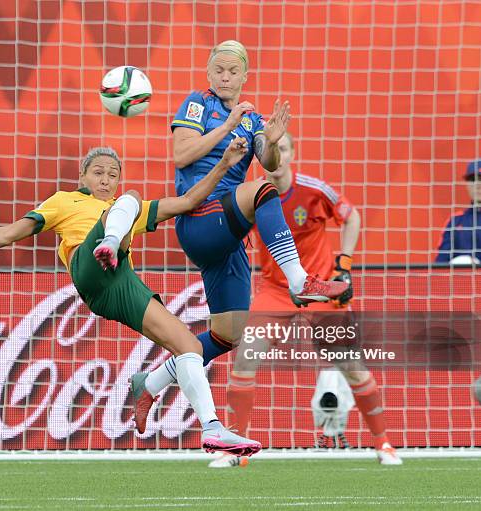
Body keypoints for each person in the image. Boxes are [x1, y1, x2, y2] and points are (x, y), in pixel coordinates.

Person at [0, 139, 263, 457]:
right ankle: (107, 244)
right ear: (83, 175)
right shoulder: (64, 201)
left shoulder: (124, 208)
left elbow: (188, 202)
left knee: (191, 348)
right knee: (129, 200)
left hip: (121, 283)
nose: (105, 180)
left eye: (112, 174)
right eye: (98, 172)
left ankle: (206, 425)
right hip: (88, 265)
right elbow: (5, 234)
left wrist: (224, 163)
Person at [129, 41, 348, 437]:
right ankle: (299, 278)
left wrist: (275, 143)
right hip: (198, 217)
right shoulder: (197, 105)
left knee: (228, 335)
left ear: (245, 76)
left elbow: (270, 163)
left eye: (233, 71)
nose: (225, 77)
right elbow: (181, 156)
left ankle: (152, 382)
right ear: (209, 74)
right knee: (262, 192)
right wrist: (227, 127)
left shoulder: (252, 120)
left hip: (228, 237)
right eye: (219, 70)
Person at [212, 132, 402, 467]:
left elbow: (351, 216)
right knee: (245, 361)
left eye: (282, 149)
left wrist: (344, 265)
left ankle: (383, 443)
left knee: (352, 369)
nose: (278, 155)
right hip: (275, 290)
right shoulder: (251, 194)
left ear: (292, 153)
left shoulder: (315, 190)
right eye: (271, 150)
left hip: (319, 290)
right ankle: (236, 451)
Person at [435, 159, 481, 264]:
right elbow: (441, 264)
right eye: (473, 179)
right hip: (462, 280)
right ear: (467, 185)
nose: (478, 185)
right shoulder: (455, 221)